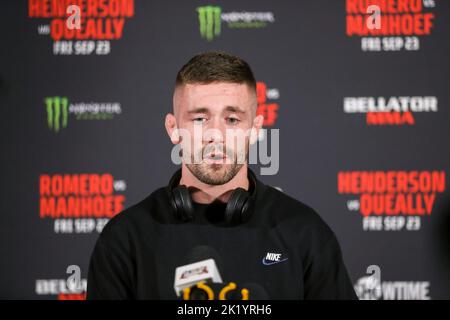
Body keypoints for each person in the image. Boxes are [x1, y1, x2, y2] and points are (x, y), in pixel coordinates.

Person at [87, 51, 357, 300]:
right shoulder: (125, 239)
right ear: (173, 128)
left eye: (232, 120)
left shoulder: (305, 233)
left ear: (255, 129)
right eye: (199, 119)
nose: (215, 135)